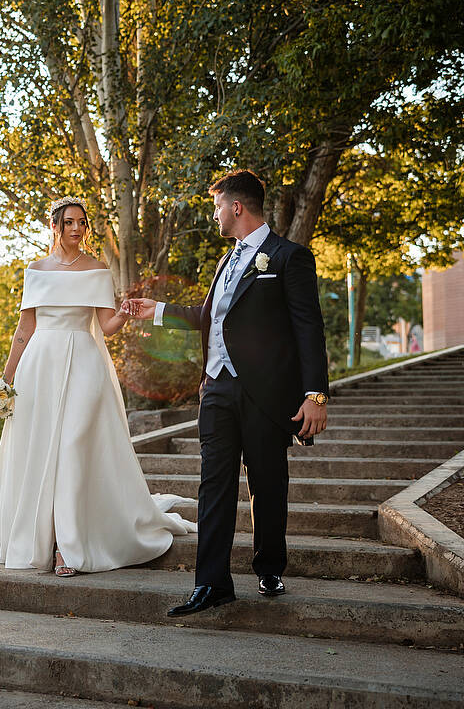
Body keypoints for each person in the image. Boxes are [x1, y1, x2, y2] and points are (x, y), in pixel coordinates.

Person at [125, 169, 328, 616]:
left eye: (217, 205)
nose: (214, 214)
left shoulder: (289, 257)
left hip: (267, 394)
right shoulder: (226, 260)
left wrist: (315, 395)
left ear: (236, 207)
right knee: (213, 485)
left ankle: (269, 565)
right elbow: (211, 316)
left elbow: (308, 329)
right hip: (217, 389)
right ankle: (212, 582)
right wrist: (155, 310)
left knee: (267, 484)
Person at [0, 196, 196, 578]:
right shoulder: (36, 270)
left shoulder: (98, 270)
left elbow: (106, 327)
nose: (77, 229)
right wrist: (7, 379)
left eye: (82, 222)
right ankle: (44, 540)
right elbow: (24, 330)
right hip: (39, 367)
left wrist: (127, 314)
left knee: (73, 446)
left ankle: (70, 545)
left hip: (83, 362)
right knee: (41, 450)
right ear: (55, 227)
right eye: (69, 222)